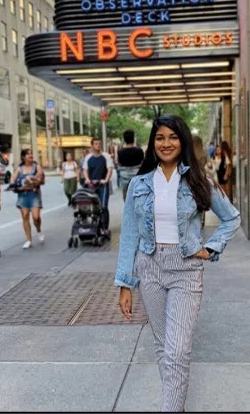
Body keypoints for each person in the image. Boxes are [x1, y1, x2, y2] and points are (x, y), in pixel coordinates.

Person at [116, 115, 240, 412]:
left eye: (173, 137)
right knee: (164, 347)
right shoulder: (139, 184)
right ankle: (177, 405)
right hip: (150, 268)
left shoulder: (198, 181)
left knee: (178, 349)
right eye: (160, 137)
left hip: (186, 270)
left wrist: (209, 249)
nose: (166, 143)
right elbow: (130, 233)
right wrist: (125, 283)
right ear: (152, 143)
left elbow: (231, 217)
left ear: (182, 141)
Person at [10, 149, 45, 249]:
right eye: (28, 154)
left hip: (34, 195)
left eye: (31, 154)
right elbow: (13, 178)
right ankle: (29, 240)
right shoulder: (20, 168)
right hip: (23, 195)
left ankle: (38, 230)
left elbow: (40, 175)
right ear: (23, 157)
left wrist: (34, 179)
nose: (30, 155)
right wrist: (13, 184)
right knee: (25, 216)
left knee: (36, 217)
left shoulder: (36, 166)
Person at [83, 138, 114, 235]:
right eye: (96, 144)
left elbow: (110, 169)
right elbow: (85, 170)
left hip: (103, 185)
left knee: (103, 206)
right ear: (92, 145)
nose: (98, 145)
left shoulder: (106, 156)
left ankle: (104, 228)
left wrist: (106, 179)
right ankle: (94, 226)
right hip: (92, 185)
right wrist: (87, 179)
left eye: (99, 143)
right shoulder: (88, 157)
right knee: (92, 207)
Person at [118, 129, 145, 201]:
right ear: (133, 138)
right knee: (138, 196)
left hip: (124, 176)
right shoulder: (139, 150)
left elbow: (120, 163)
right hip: (137, 175)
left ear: (124, 139)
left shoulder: (120, 152)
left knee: (126, 197)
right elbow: (142, 162)